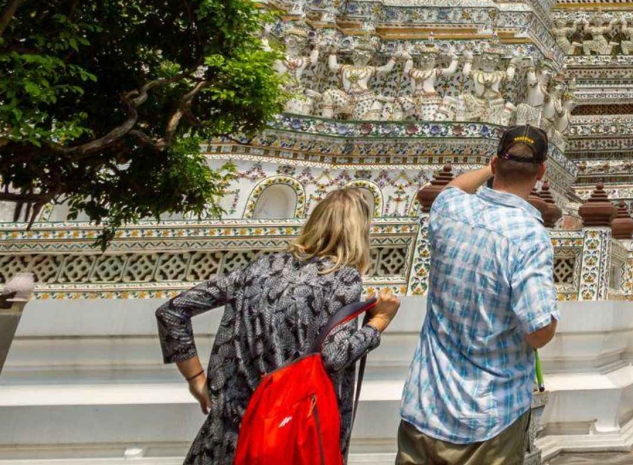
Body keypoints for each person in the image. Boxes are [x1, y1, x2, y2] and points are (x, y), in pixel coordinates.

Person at [156, 187, 399, 465]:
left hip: (227, 433)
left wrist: (196, 381)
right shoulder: (341, 279)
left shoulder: (259, 268)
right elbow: (335, 356)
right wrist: (378, 323)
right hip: (287, 436)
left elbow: (172, 312)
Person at [398, 126, 559, 465]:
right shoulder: (529, 236)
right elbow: (538, 331)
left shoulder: (450, 209)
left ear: (494, 163)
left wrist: (494, 166)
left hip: (425, 406)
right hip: (490, 417)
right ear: (542, 171)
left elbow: (454, 186)